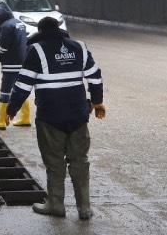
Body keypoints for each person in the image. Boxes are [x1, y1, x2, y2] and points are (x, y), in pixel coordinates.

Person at [6, 14, 105, 221]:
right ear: (59, 28)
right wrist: (97, 102)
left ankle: (56, 204)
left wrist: (12, 109)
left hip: (50, 117)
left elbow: (23, 83)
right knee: (79, 161)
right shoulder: (79, 47)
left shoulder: (36, 50)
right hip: (78, 115)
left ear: (40, 31)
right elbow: (95, 77)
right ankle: (84, 208)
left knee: (54, 162)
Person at [0, 0, 30, 128]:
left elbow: (3, 48)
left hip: (11, 64)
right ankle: (25, 117)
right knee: (20, 90)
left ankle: (0, 121)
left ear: (1, 14)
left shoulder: (6, 26)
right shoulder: (19, 24)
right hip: (22, 62)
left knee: (5, 91)